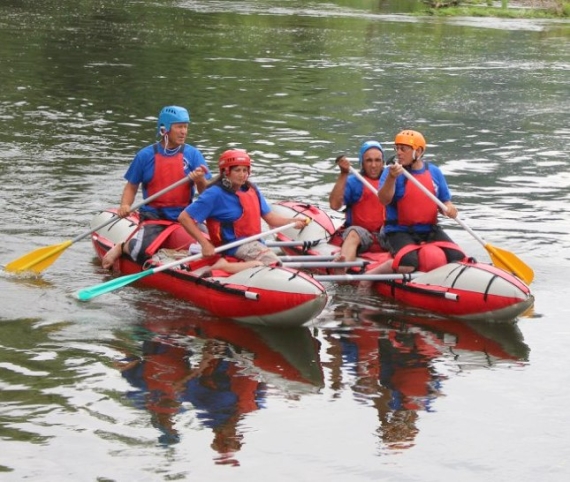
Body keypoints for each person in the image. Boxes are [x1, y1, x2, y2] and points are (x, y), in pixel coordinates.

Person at [102, 105, 211, 269]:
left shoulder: (193, 155)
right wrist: (125, 205)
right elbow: (132, 186)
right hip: (155, 216)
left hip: (186, 215)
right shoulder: (145, 156)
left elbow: (206, 193)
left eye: (186, 127)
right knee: (140, 253)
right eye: (179, 127)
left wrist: (201, 180)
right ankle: (122, 246)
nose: (184, 132)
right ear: (164, 129)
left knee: (213, 243)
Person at [178, 149, 307, 274]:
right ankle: (226, 266)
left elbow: (270, 217)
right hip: (232, 246)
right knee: (274, 264)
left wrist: (292, 221)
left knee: (269, 264)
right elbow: (185, 218)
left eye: (245, 170)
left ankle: (245, 266)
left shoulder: (252, 189)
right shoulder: (214, 193)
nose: (242, 174)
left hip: (253, 243)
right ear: (226, 172)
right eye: (237, 170)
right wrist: (205, 244)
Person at [372, 129, 466, 275]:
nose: (399, 152)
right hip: (397, 231)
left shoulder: (434, 172)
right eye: (397, 148)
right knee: (408, 265)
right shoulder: (391, 172)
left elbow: (444, 202)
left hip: (429, 230)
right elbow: (384, 199)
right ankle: (376, 272)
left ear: (419, 151)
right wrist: (392, 178)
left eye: (403, 149)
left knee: (458, 258)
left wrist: (449, 208)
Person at [328, 140, 386, 268]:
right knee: (353, 233)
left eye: (377, 160)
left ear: (383, 162)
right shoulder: (354, 182)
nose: (374, 165)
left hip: (386, 233)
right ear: (362, 163)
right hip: (361, 233)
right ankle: (343, 268)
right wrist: (344, 174)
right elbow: (334, 205)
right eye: (369, 161)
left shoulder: (391, 180)